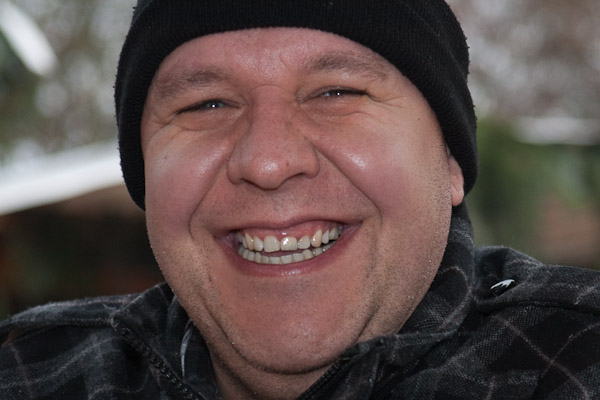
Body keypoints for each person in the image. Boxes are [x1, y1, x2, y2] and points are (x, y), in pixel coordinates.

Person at [2, 0, 600, 399]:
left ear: (449, 163)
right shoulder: (31, 372)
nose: (268, 162)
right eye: (207, 104)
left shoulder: (574, 362)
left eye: (337, 92)